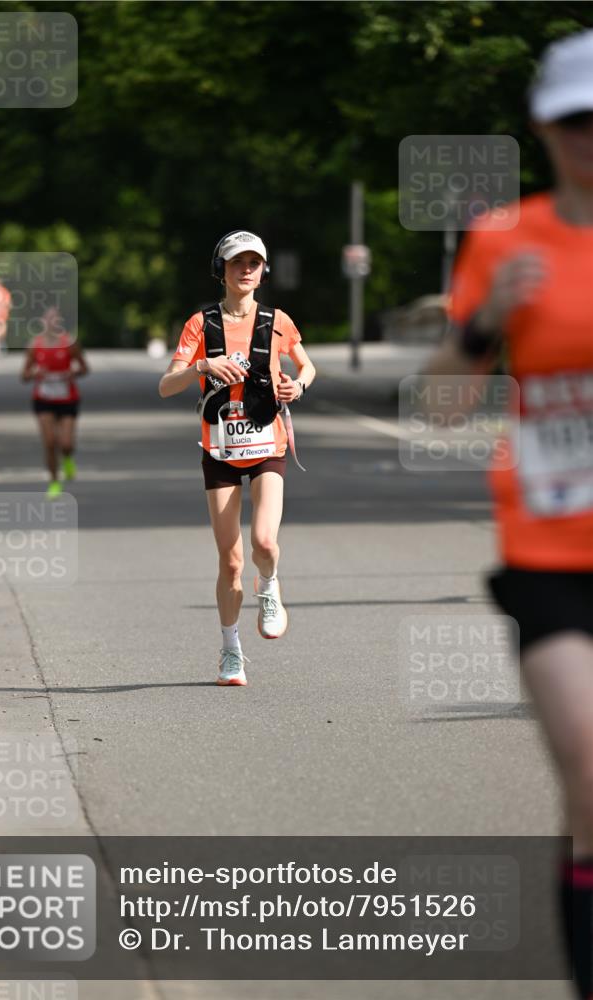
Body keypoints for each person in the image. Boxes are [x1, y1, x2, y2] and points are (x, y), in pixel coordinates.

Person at [428, 31, 593, 999]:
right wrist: (483, 322)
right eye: (577, 119)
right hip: (551, 554)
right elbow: (444, 406)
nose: (592, 137)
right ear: (544, 125)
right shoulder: (505, 239)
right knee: (588, 779)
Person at [159, 230, 316, 686]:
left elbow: (306, 365)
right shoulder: (201, 324)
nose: (246, 270)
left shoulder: (277, 319)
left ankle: (269, 587)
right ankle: (231, 651)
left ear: (263, 271)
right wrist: (202, 367)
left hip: (268, 443)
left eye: (254, 263)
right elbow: (166, 385)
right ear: (221, 270)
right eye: (236, 263)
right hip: (221, 451)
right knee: (230, 562)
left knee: (264, 542)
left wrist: (298, 385)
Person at [20, 307, 89, 498]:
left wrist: (72, 373)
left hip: (67, 398)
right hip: (44, 399)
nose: (52, 323)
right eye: (48, 319)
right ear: (42, 323)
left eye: (56, 320)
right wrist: (35, 374)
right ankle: (54, 482)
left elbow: (84, 368)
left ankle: (67, 458)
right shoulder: (35, 345)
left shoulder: (70, 343)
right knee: (50, 442)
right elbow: (24, 375)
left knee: (66, 443)